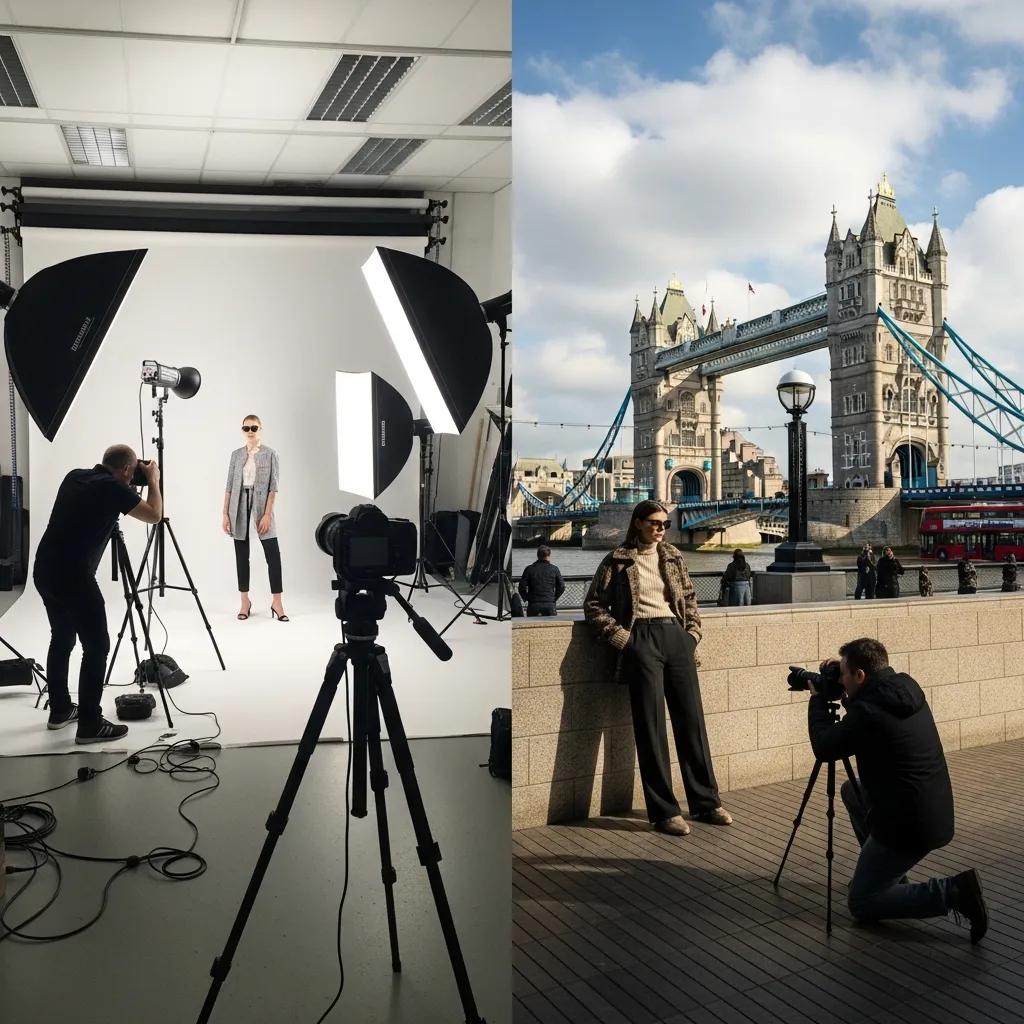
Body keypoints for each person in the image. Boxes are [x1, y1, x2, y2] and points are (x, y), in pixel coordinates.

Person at [808, 638, 988, 941]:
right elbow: (868, 709)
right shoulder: (904, 686)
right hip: (929, 809)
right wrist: (843, 687)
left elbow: (826, 748)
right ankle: (889, 877)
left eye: (844, 674)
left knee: (862, 903)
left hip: (907, 824)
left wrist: (817, 699)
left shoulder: (868, 712)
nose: (840, 680)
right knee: (852, 792)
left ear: (861, 676)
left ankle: (954, 892)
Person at [583, 499, 730, 837]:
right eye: (654, 522)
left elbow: (690, 598)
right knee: (651, 728)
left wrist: (691, 634)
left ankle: (706, 803)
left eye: (665, 523)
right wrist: (624, 640)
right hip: (641, 639)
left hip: (676, 638)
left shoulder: (674, 556)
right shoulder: (617, 560)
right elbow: (593, 605)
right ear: (637, 523)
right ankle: (664, 812)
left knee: (691, 722)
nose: (661, 528)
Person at [33, 445, 162, 743]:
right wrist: (152, 480)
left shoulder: (75, 476)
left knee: (62, 638)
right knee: (97, 646)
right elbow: (154, 515)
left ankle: (61, 710)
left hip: (44, 571)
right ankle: (90, 724)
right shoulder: (113, 487)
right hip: (75, 577)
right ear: (128, 471)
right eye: (133, 475)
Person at [223, 415, 287, 621]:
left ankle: (277, 602)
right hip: (238, 506)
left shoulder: (270, 454)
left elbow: (273, 488)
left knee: (273, 555)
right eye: (246, 427)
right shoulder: (236, 455)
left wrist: (267, 514)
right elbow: (229, 487)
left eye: (254, 427)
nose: (250, 431)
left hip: (261, 505)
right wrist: (225, 513)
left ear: (260, 429)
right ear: (242, 430)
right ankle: (244, 601)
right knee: (242, 556)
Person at [517, 545, 565, 616]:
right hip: (549, 604)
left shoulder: (529, 569)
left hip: (533, 604)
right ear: (549, 556)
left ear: (537, 555)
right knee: (551, 625)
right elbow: (561, 587)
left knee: (532, 625)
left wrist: (527, 598)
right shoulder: (554, 569)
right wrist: (554, 598)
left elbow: (521, 587)